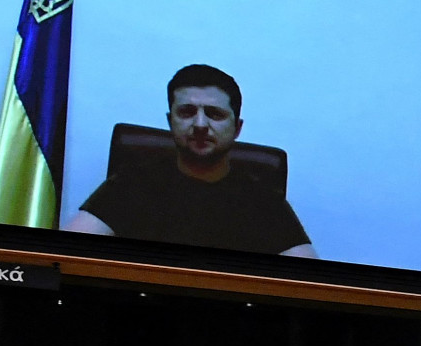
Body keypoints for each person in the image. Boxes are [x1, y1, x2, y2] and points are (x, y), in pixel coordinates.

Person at [65, 65, 316, 257]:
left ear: (237, 128)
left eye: (214, 114)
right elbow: (65, 252)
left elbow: (309, 282)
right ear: (170, 121)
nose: (199, 125)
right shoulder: (133, 182)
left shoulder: (263, 200)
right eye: (187, 112)